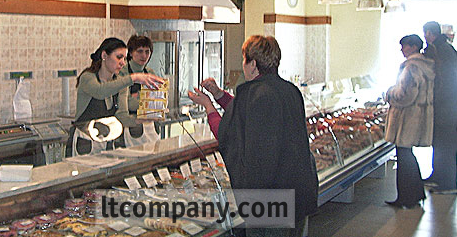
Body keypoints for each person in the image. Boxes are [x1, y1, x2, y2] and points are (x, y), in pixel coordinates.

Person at [188, 35, 318, 237]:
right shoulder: (289, 90)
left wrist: (208, 106)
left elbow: (227, 133)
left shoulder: (253, 94)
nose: (243, 66)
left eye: (244, 60)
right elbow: (245, 115)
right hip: (299, 191)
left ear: (253, 64)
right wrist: (219, 94)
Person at [66, 37, 163, 156]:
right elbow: (100, 91)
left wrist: (143, 120)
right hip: (84, 142)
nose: (122, 62)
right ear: (104, 56)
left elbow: (122, 116)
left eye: (124, 58)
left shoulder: (120, 82)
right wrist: (133, 78)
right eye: (119, 57)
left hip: (106, 141)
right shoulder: (88, 78)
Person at [384, 34, 435, 208]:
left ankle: (406, 197)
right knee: (408, 157)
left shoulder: (411, 67)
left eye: (404, 46)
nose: (402, 50)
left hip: (408, 118)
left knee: (404, 158)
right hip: (417, 117)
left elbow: (405, 95)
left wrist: (389, 93)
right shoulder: (426, 65)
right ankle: (416, 194)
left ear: (413, 47)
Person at [423, 21, 457, 191]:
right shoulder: (441, 49)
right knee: (438, 143)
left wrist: (437, 97)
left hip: (447, 107)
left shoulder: (443, 51)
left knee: (445, 145)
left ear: (430, 33)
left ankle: (448, 183)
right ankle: (437, 175)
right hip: (445, 105)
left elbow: (445, 79)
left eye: (425, 33)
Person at [118, 35, 160, 146]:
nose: (144, 55)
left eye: (147, 52)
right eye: (140, 51)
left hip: (151, 128)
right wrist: (147, 99)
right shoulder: (123, 73)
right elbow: (128, 105)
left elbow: (159, 103)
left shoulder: (151, 73)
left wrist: (138, 97)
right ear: (131, 53)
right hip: (132, 128)